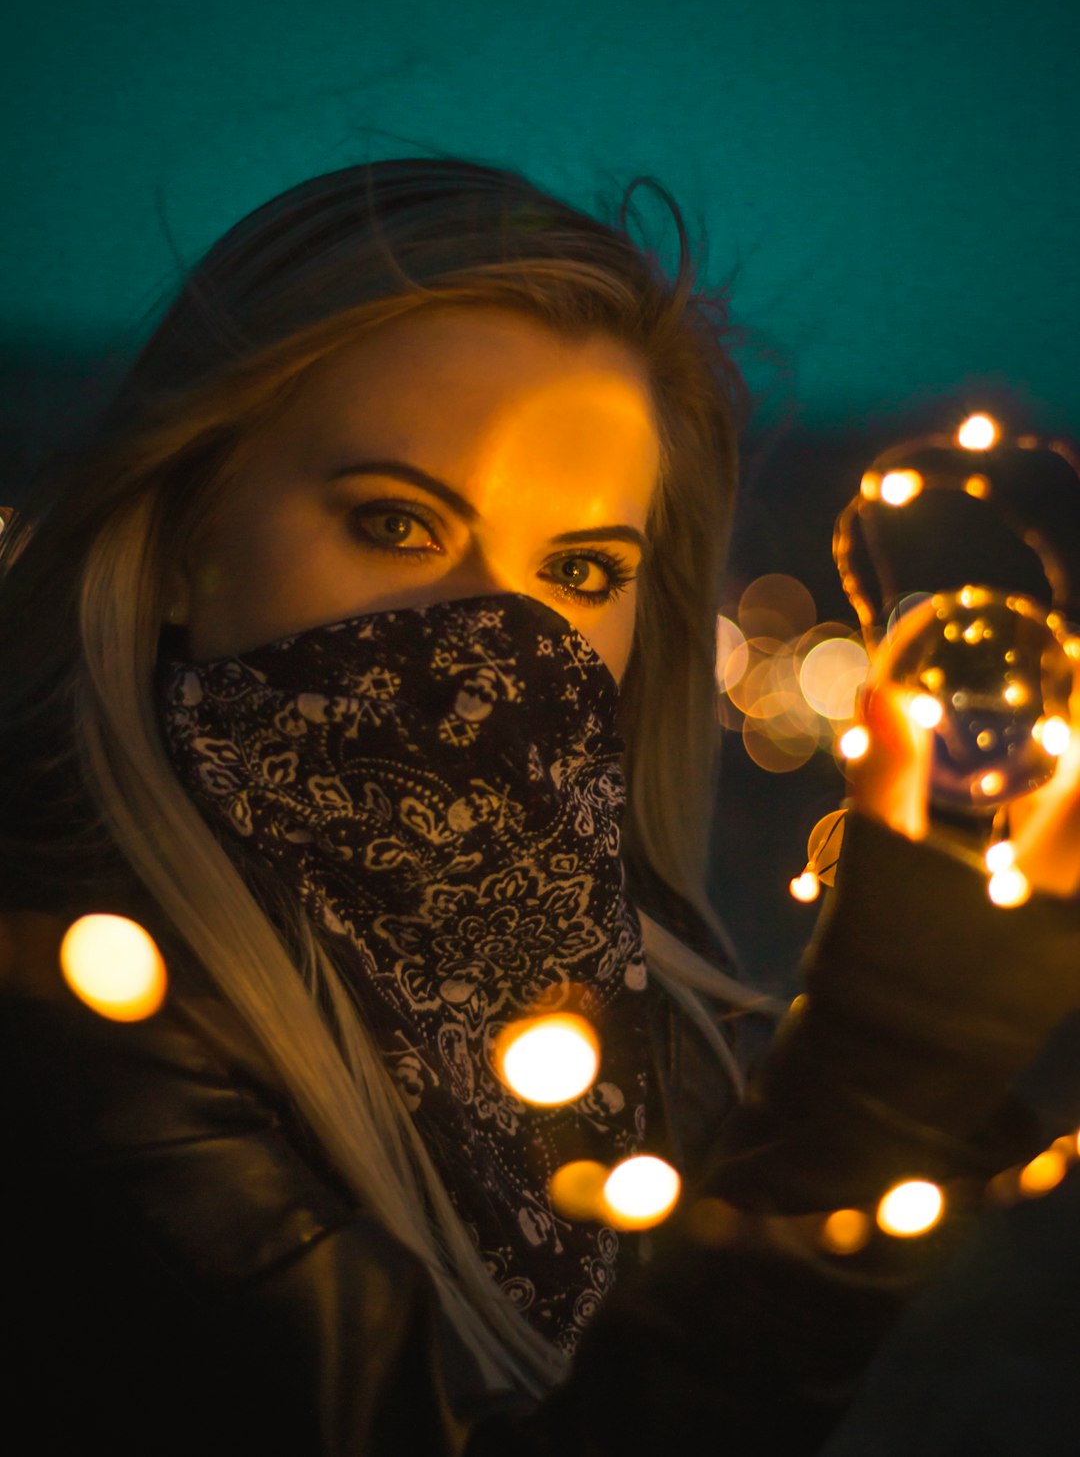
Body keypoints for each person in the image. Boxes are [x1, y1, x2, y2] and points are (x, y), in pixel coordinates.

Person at [2, 154, 1079, 1455]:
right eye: (398, 525)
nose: (495, 639)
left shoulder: (656, 1030)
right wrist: (886, 1074)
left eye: (578, 569)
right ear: (182, 537)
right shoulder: (64, 1006)